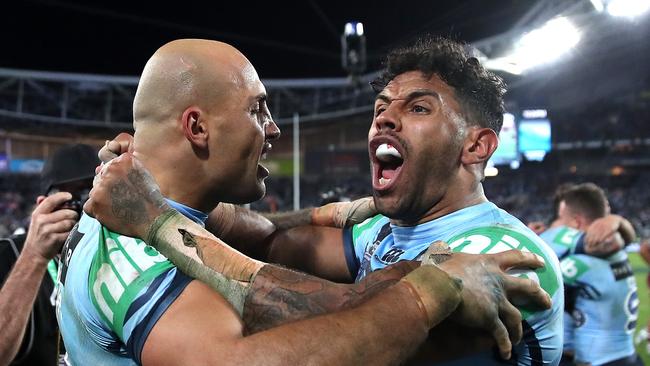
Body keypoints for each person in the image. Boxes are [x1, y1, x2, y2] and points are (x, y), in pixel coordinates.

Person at [63, 39, 548, 365]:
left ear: (477, 145)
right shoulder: (138, 242)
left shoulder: (502, 256)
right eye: (381, 109)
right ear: (196, 127)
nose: (384, 121)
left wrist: (336, 212)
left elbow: (376, 332)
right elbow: (333, 301)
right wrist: (432, 288)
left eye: (417, 108)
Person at [0, 144, 98, 365]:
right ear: (43, 205)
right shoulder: (9, 253)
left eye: (91, 193)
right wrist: (34, 256)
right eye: (72, 197)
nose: (85, 207)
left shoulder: (116, 254)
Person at [539, 183, 642, 365]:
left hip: (598, 359)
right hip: (627, 354)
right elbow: (619, 240)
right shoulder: (616, 251)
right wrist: (618, 222)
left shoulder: (580, 261)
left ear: (576, 222)